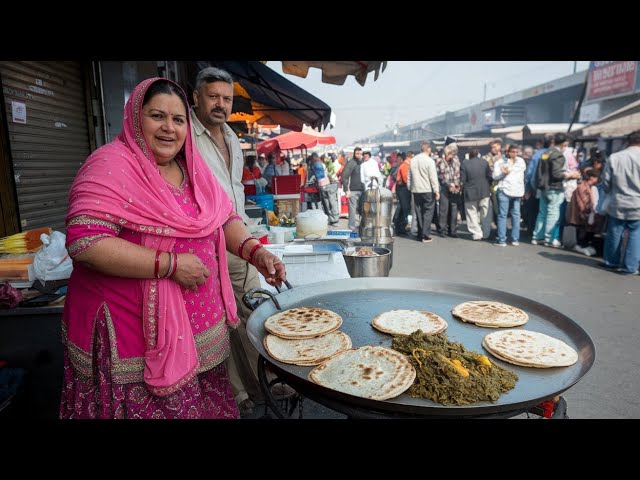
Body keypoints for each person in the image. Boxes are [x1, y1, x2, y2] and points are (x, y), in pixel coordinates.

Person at [60, 77, 286, 419]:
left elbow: (224, 219)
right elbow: (87, 242)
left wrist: (257, 252)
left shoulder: (193, 169)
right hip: (133, 339)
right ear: (136, 118)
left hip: (200, 337)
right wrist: (169, 265)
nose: (169, 128)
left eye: (178, 120)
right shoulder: (110, 166)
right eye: (157, 116)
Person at [190, 67, 289, 415]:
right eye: (213, 97)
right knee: (218, 321)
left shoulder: (231, 137)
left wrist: (250, 239)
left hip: (238, 238)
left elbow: (234, 191)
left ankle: (263, 383)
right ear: (196, 97)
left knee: (251, 310)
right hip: (203, 244)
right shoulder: (183, 133)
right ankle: (238, 393)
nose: (220, 105)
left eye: (226, 99)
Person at [600, 130, 640, 275]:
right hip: (638, 203)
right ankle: (630, 267)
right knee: (636, 234)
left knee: (614, 232)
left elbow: (605, 182)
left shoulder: (615, 157)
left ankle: (611, 262)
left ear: (628, 141)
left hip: (618, 201)